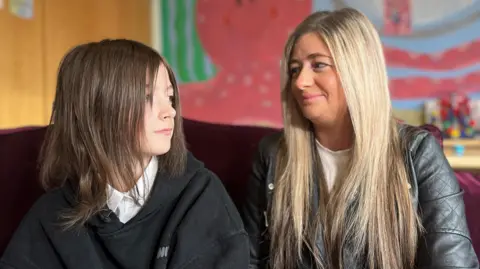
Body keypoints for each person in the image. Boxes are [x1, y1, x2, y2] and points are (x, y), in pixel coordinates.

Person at [241, 8, 479, 269]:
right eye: (295, 69)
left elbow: (452, 263)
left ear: (358, 71)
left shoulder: (418, 153)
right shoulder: (273, 156)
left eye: (318, 65)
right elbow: (251, 260)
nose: (300, 82)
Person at [0, 39, 248, 269]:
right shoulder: (53, 213)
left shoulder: (200, 196)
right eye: (147, 96)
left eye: (170, 97)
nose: (169, 112)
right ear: (97, 109)